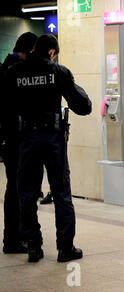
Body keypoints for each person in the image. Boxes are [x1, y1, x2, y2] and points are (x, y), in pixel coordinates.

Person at [4, 34, 92, 263]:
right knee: (61, 192)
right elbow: (84, 107)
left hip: (27, 140)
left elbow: (5, 106)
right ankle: (65, 248)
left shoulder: (14, 72)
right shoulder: (58, 72)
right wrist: (70, 83)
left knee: (27, 193)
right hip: (53, 139)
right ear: (52, 51)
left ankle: (33, 246)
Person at [0, 32, 37, 254]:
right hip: (16, 137)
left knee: (14, 187)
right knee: (17, 188)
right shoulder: (15, 72)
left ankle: (13, 237)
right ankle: (14, 239)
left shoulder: (7, 68)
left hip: (8, 136)